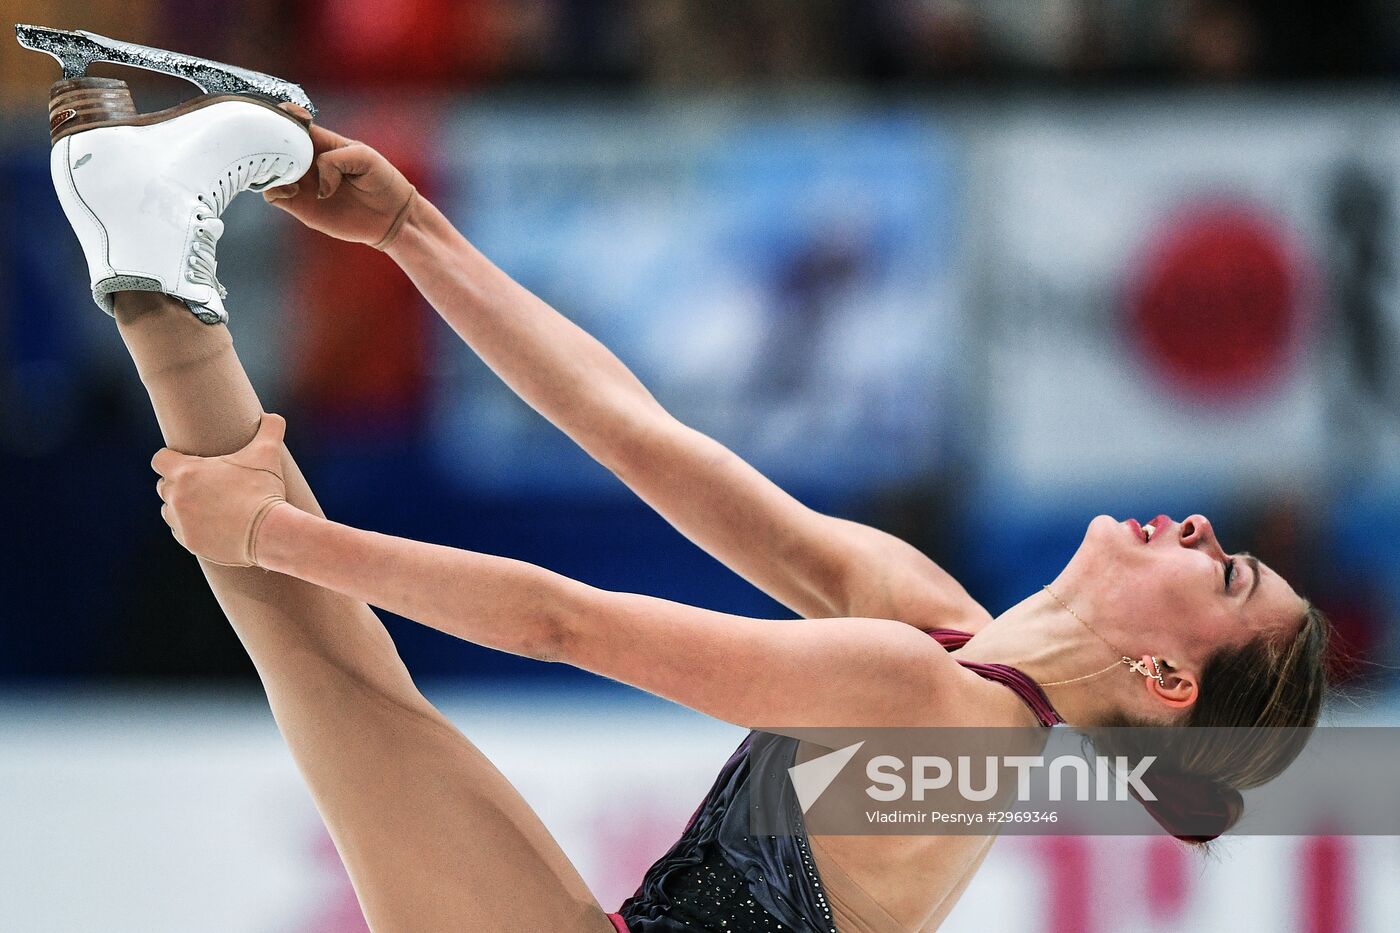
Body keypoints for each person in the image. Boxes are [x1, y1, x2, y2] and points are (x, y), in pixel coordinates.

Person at [52, 95, 1328, 932]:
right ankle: (147, 237)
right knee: (331, 663)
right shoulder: (937, 631)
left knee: (335, 666)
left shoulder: (934, 706)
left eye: (1225, 577)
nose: (1200, 533)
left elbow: (564, 625)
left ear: (1164, 679)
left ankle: (150, 246)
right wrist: (412, 229)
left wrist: (273, 533)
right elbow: (636, 434)